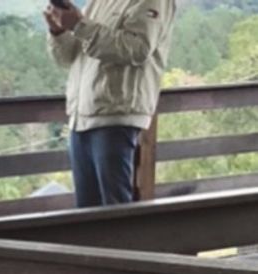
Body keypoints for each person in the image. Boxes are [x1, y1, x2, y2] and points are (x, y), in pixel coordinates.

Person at [45, 0, 176, 208]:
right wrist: (58, 32)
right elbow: (68, 58)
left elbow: (136, 49)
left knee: (115, 212)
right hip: (81, 117)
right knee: (86, 216)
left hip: (116, 116)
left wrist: (79, 25)